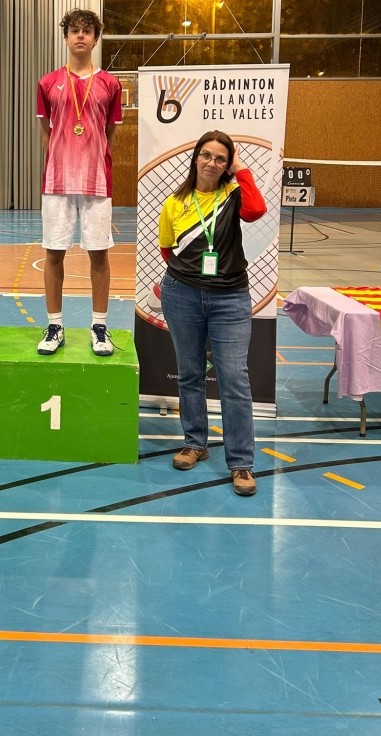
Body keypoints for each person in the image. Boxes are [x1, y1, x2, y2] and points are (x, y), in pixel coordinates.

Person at [158, 130, 267, 496]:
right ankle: (195, 443)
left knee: (234, 379)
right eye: (206, 155)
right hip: (182, 295)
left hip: (230, 299)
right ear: (196, 157)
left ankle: (241, 463)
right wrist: (188, 277)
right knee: (190, 372)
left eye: (221, 158)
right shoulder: (175, 202)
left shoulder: (234, 195)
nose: (212, 163)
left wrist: (240, 169)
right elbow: (167, 249)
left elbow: (257, 211)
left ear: (227, 165)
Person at [36, 7, 123, 358]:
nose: (81, 36)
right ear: (66, 37)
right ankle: (55, 325)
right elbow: (46, 132)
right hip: (57, 181)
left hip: (96, 181)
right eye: (75, 30)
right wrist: (62, 159)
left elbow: (110, 133)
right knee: (54, 253)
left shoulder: (110, 84)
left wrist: (93, 158)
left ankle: (99, 326)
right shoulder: (47, 83)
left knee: (99, 254)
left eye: (88, 31)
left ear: (96, 39)